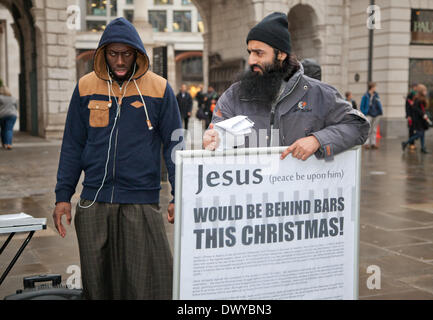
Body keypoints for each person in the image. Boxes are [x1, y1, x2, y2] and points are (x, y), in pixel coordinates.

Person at [53, 18, 182, 300]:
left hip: (140, 200)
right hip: (94, 201)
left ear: (137, 52)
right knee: (99, 284)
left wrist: (178, 195)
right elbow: (73, 144)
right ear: (103, 54)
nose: (120, 60)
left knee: (147, 282)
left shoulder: (159, 89)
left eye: (126, 53)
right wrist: (63, 196)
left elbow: (175, 146)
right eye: (113, 54)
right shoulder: (86, 86)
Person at [203, 12, 369, 160]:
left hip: (297, 192)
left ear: (281, 54)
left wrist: (318, 140)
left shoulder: (319, 94)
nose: (251, 60)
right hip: (250, 191)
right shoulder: (234, 95)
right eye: (250, 52)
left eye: (259, 53)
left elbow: (358, 126)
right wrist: (213, 139)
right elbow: (218, 134)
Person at [401, 84, 431, 154]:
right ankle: (405, 143)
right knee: (420, 134)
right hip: (418, 120)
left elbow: (420, 108)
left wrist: (424, 115)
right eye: (424, 90)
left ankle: (423, 148)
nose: (426, 92)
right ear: (421, 91)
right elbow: (416, 109)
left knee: (422, 134)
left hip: (421, 119)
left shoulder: (420, 98)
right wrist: (423, 115)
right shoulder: (418, 99)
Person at [360, 82, 383, 149]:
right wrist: (364, 113)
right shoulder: (366, 95)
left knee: (374, 129)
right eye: (374, 87)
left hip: (376, 114)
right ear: (371, 87)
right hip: (369, 114)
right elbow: (362, 105)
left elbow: (379, 103)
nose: (375, 88)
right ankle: (366, 143)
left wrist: (380, 111)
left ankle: (373, 143)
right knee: (368, 129)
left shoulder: (376, 95)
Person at [0, 85, 18, 150]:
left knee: (3, 129)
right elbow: (16, 107)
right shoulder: (13, 98)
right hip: (12, 115)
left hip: (2, 115)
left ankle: (4, 144)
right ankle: (9, 144)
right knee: (9, 129)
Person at [405, 83, 418, 150]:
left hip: (416, 115)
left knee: (416, 130)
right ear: (413, 87)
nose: (416, 88)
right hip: (411, 115)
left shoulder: (417, 95)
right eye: (415, 87)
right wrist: (408, 115)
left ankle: (411, 142)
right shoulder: (410, 95)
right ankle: (411, 143)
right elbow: (407, 107)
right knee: (411, 130)